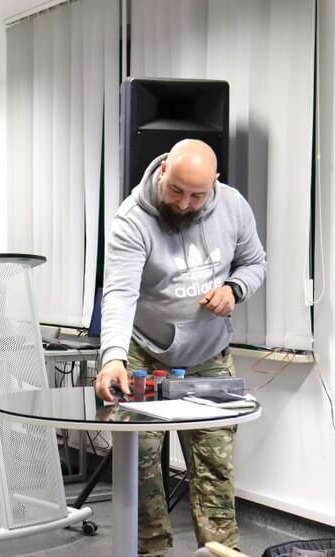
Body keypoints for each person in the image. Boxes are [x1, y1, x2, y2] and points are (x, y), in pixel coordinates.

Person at [94, 139, 266, 556]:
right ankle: (152, 551)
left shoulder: (233, 206)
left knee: (215, 467)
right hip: (145, 354)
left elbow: (255, 262)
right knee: (140, 463)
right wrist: (113, 357)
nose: (185, 203)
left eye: (197, 195)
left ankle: (220, 552)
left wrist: (234, 289)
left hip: (210, 354)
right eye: (176, 190)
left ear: (215, 183)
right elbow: (119, 293)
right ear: (163, 170)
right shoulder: (132, 219)